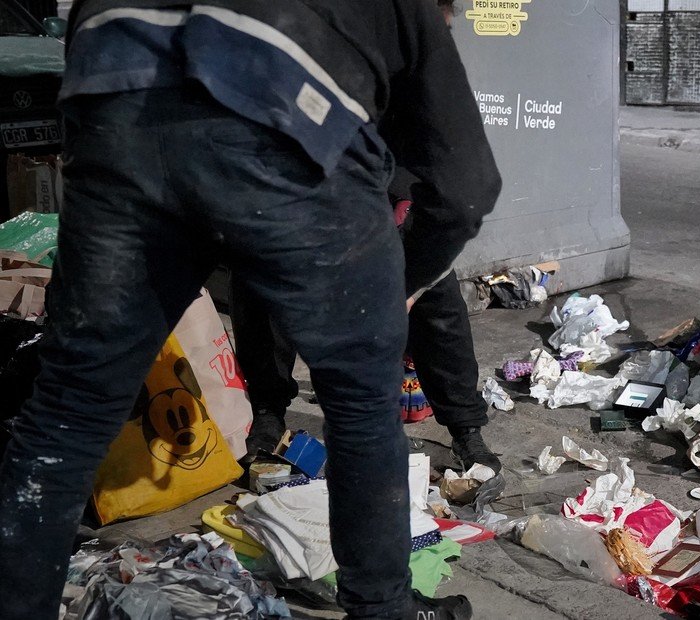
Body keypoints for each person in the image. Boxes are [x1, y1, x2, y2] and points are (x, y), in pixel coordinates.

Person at [0, 1, 500, 619]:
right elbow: (466, 188)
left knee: (69, 411)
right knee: (361, 402)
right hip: (275, 107)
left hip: (113, 102)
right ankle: (382, 610)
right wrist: (402, 284)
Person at [237, 0, 500, 475]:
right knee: (264, 287)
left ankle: (466, 429)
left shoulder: (424, 66)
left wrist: (410, 284)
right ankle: (269, 413)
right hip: (307, 183)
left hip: (391, 193)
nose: (442, 30)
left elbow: (460, 188)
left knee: (438, 305)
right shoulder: (325, 36)